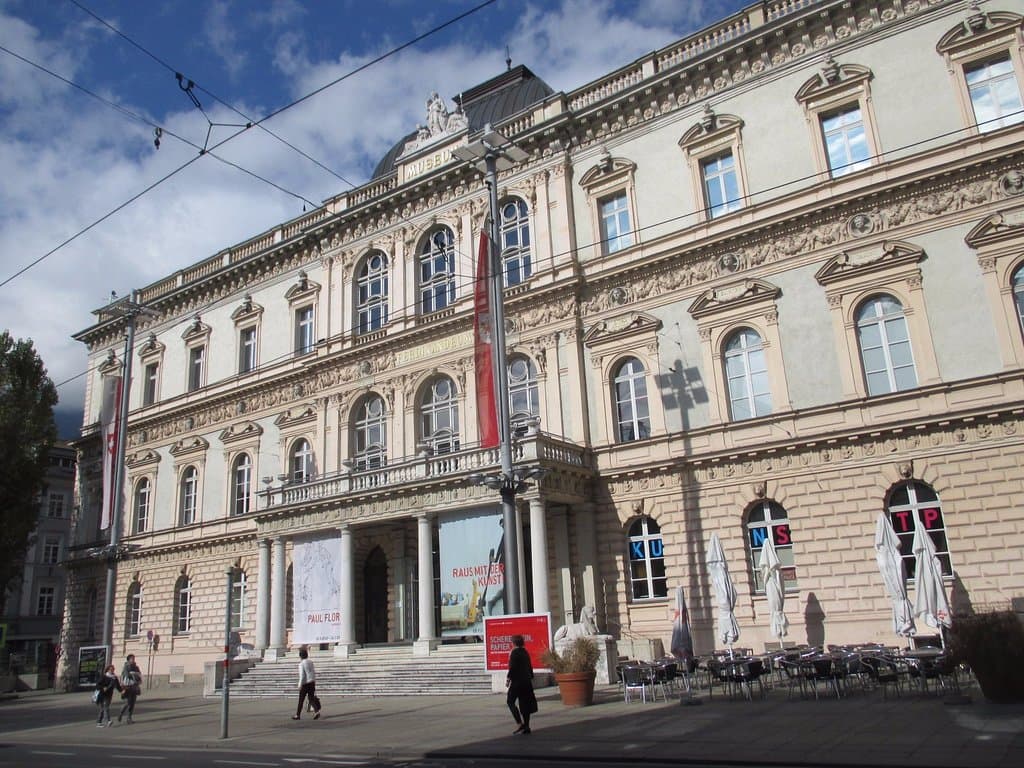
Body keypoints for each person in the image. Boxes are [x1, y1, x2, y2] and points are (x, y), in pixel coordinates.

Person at [505, 635, 537, 735]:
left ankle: (519, 724)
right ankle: (526, 726)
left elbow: (513, 667)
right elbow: (529, 666)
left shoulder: (514, 653)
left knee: (510, 701)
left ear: (513, 643)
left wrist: (508, 679)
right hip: (526, 681)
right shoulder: (525, 652)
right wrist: (530, 677)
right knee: (525, 703)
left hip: (517, 682)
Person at [293, 647, 321, 720]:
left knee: (301, 700)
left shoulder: (301, 664)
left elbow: (302, 675)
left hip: (305, 684)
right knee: (311, 699)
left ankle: (297, 715)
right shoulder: (310, 662)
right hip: (311, 682)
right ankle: (316, 711)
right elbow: (313, 672)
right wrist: (314, 680)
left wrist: (300, 685)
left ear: (300, 656)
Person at [118, 653, 142, 723]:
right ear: (128, 659)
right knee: (127, 703)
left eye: (134, 658)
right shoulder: (126, 667)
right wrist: (134, 674)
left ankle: (129, 718)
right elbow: (127, 675)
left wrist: (136, 675)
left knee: (132, 703)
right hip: (127, 686)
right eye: (132, 658)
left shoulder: (136, 667)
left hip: (134, 686)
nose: (133, 660)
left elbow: (139, 674)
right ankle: (121, 713)